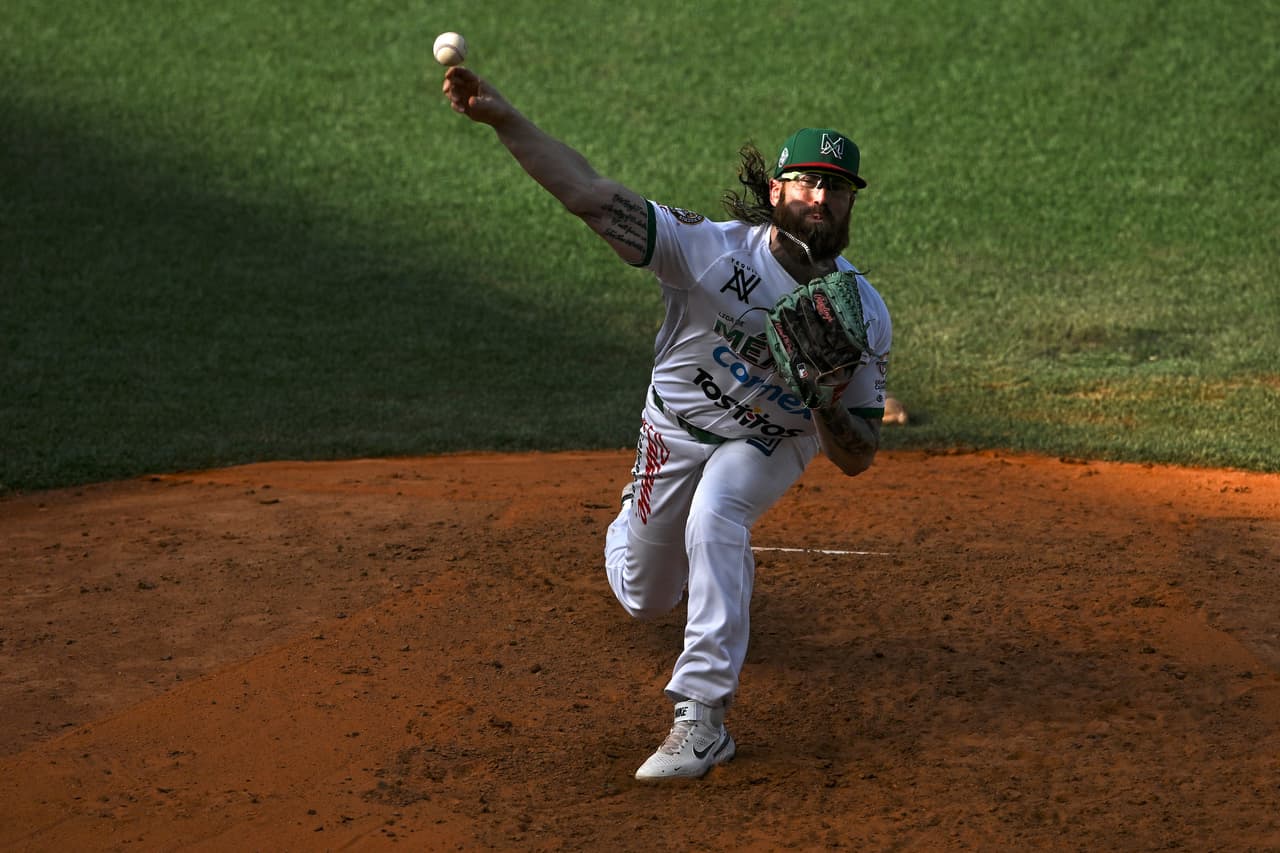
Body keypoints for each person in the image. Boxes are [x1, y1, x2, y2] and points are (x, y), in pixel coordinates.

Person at [441, 66, 892, 781]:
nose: (820, 197)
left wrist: (825, 399)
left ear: (849, 204)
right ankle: (673, 546)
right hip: (676, 427)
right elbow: (590, 196)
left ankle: (702, 718)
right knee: (644, 595)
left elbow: (858, 454)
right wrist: (504, 120)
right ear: (777, 192)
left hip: (770, 439)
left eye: (835, 187)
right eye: (805, 182)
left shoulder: (863, 313)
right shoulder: (709, 250)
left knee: (719, 510)